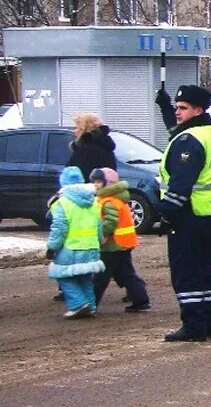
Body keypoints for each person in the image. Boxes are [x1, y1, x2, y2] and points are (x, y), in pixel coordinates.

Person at [154, 85, 211, 342]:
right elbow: (178, 131)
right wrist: (164, 107)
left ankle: (194, 325)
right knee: (205, 271)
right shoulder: (208, 131)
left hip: (188, 215)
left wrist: (165, 214)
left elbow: (180, 184)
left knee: (186, 273)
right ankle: (210, 322)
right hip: (208, 213)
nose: (177, 111)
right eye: (176, 107)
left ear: (199, 110)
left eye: (183, 108)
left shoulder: (190, 141)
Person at [89, 167, 151, 312]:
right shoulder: (115, 199)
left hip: (112, 244)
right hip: (123, 243)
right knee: (126, 273)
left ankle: (90, 304)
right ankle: (140, 299)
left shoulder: (109, 201)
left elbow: (111, 222)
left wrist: (99, 234)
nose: (96, 185)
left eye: (99, 182)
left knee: (101, 277)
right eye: (94, 182)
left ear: (107, 183)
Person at [46, 166, 105, 319]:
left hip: (70, 247)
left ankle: (78, 304)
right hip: (91, 246)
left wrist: (52, 247)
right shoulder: (93, 201)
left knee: (63, 276)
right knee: (85, 277)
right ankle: (91, 307)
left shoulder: (63, 202)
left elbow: (59, 228)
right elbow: (99, 225)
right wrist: (99, 242)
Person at [67, 113, 117, 182]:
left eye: (77, 128)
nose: (75, 131)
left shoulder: (87, 149)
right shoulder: (105, 145)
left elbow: (78, 176)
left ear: (84, 129)